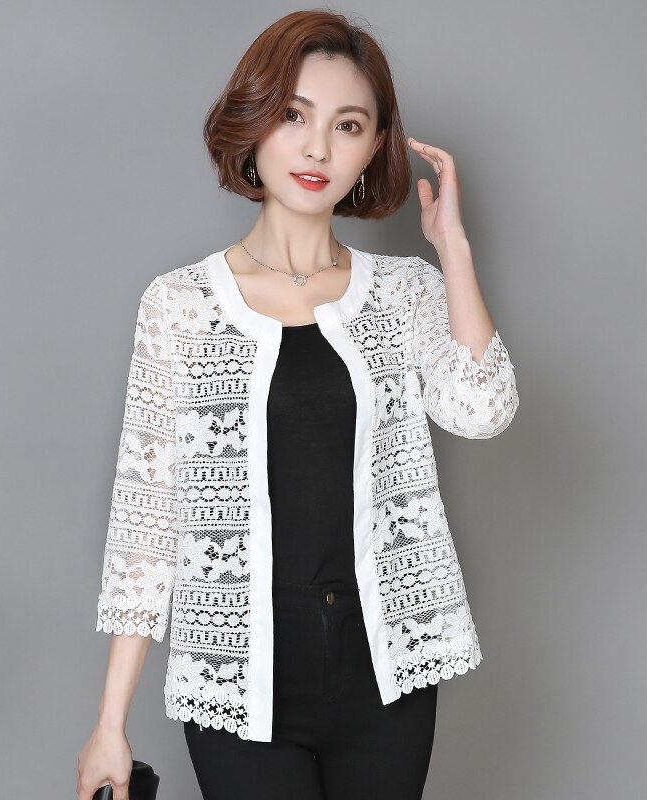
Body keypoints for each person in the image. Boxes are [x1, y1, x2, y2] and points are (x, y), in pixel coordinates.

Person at [77, 9, 519, 800]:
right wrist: (110, 722)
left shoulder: (405, 294)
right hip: (240, 673)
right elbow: (147, 519)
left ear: (373, 148)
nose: (318, 148)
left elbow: (482, 410)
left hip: (386, 671)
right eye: (294, 116)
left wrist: (452, 249)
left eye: (348, 126)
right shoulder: (182, 305)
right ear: (254, 122)